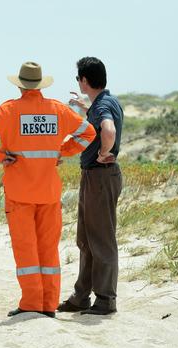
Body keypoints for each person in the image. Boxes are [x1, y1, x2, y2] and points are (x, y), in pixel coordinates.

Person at [0, 62, 96, 318]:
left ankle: (31, 303)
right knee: (48, 249)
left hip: (19, 193)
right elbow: (88, 133)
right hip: (49, 192)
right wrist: (61, 152)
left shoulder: (10, 110)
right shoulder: (57, 110)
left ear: (19, 85)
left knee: (26, 248)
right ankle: (48, 303)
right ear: (41, 84)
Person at [57, 56, 124, 316]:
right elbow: (100, 122)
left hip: (100, 175)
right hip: (95, 176)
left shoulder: (103, 105)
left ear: (84, 80)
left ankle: (105, 300)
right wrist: (83, 108)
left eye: (78, 79)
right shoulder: (104, 102)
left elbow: (107, 130)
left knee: (101, 240)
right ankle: (81, 296)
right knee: (86, 239)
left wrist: (103, 152)